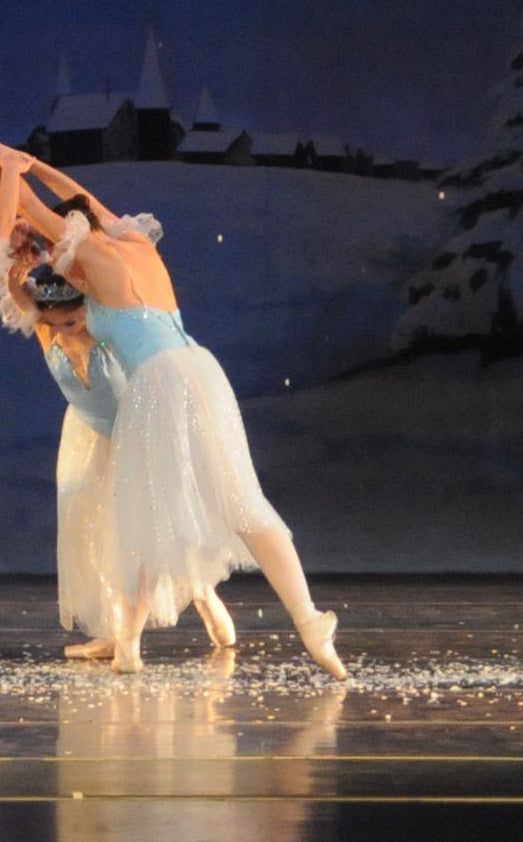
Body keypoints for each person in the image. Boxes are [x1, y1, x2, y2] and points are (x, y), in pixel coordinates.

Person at [8, 146, 346, 679]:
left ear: (75, 234)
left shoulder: (93, 261)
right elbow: (85, 203)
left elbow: (31, 212)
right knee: (243, 504)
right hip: (201, 369)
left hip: (159, 385)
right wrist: (32, 163)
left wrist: (10, 172)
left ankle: (128, 645)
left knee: (149, 509)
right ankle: (309, 622)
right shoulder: (136, 244)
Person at [0, 157, 236, 658]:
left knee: (155, 518)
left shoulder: (109, 324)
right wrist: (16, 258)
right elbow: (8, 272)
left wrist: (14, 171)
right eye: (59, 324)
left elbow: (73, 213)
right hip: (89, 436)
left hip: (138, 430)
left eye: (75, 321)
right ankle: (115, 632)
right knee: (97, 533)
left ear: (88, 305)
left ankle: (201, 590)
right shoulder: (45, 328)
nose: (69, 331)